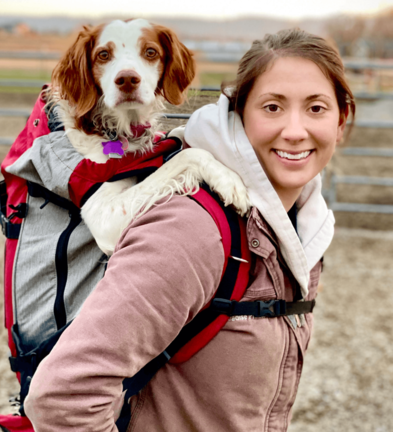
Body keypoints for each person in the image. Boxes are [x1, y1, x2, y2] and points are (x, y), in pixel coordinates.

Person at [24, 28, 355, 431]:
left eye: (316, 108)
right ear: (237, 114)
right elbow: (62, 398)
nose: (294, 130)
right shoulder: (192, 230)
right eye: (272, 107)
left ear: (343, 120)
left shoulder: (300, 225)